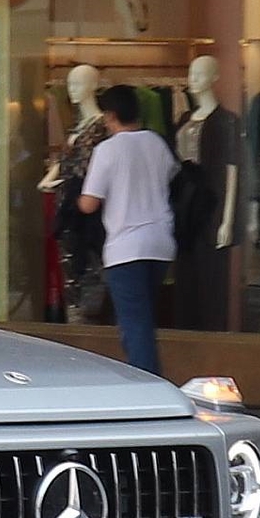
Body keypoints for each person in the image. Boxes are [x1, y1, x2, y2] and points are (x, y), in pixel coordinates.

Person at [77, 82, 178, 375]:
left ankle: (150, 389)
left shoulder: (107, 150)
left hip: (125, 248)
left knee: (135, 326)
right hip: (160, 243)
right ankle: (147, 380)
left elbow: (89, 204)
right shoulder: (157, 143)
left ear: (110, 115)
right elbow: (171, 175)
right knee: (142, 319)